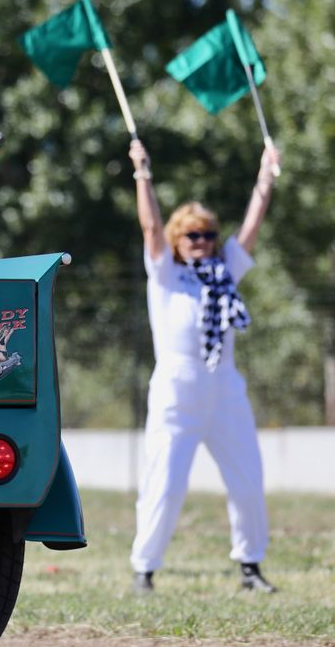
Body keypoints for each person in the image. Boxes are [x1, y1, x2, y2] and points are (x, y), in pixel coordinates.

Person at [128, 138, 281, 594]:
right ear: (179, 241)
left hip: (224, 387)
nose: (202, 242)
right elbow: (151, 228)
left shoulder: (224, 272)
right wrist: (142, 173)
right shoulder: (167, 275)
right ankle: (144, 569)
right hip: (177, 389)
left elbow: (251, 227)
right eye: (192, 235)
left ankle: (250, 567)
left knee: (248, 482)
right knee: (166, 484)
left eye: (209, 235)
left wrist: (265, 177)